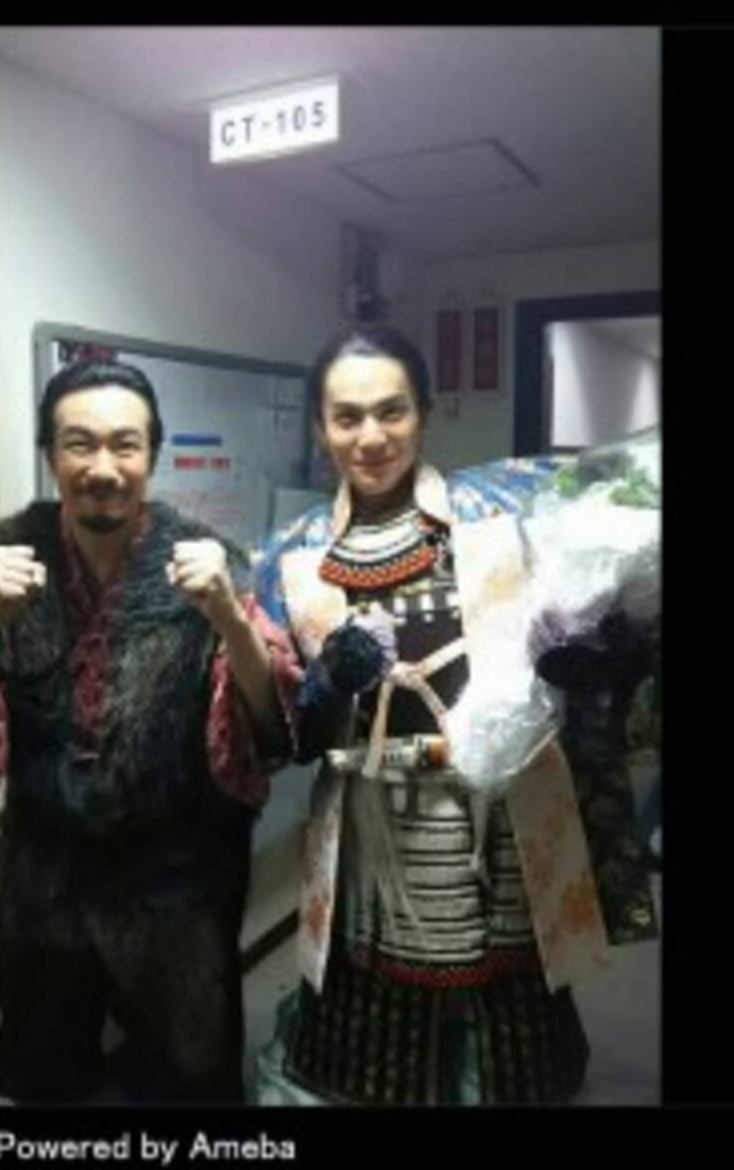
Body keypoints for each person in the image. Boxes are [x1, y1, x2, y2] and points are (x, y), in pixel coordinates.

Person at [252, 323, 656, 1106]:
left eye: (391, 410)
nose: (371, 436)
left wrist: (605, 657)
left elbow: (610, 617)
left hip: (510, 811)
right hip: (368, 823)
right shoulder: (290, 552)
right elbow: (281, 734)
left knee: (513, 1024)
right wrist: (327, 685)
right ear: (320, 428)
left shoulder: (508, 509)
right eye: (346, 417)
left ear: (425, 412)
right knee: (366, 1025)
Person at [0, 359, 300, 1104]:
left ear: (153, 454)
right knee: (42, 1078)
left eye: (125, 444)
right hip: (44, 883)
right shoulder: (3, 556)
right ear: (50, 454)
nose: (103, 468)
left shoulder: (209, 563)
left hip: (181, 886)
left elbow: (274, 723)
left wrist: (227, 617)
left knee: (185, 1083)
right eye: (79, 443)